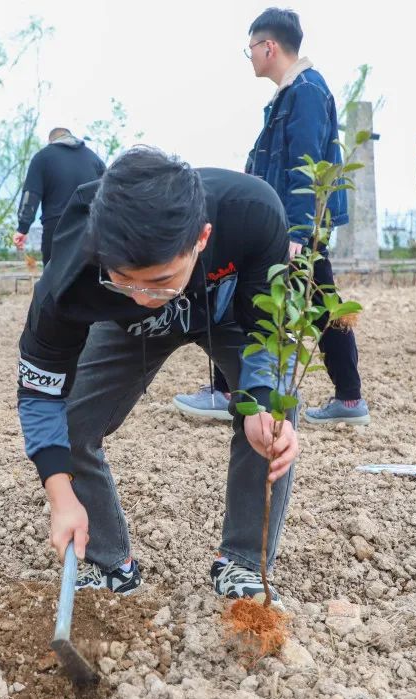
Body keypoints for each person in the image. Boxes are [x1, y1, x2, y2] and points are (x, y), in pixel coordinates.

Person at [17, 147, 299, 607]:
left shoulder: (252, 212)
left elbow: (265, 329)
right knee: (73, 421)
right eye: (126, 279)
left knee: (271, 420)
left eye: (161, 279)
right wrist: (59, 492)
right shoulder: (71, 272)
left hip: (227, 311)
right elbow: (39, 391)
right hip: (126, 329)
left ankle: (243, 563)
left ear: (202, 238)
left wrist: (261, 399)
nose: (146, 296)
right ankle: (111, 565)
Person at [173, 7, 369, 426]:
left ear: (269, 46)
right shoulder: (291, 93)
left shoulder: (307, 91)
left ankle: (232, 391)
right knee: (319, 303)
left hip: (293, 225)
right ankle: (349, 399)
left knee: (272, 300)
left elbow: (306, 163)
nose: (250, 58)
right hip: (283, 220)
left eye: (251, 50)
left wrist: (296, 230)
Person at [12, 128, 106, 265]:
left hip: (56, 229)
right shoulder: (94, 159)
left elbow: (31, 195)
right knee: (89, 276)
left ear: (50, 141)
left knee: (54, 276)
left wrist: (22, 228)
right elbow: (109, 194)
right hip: (89, 229)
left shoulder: (42, 158)